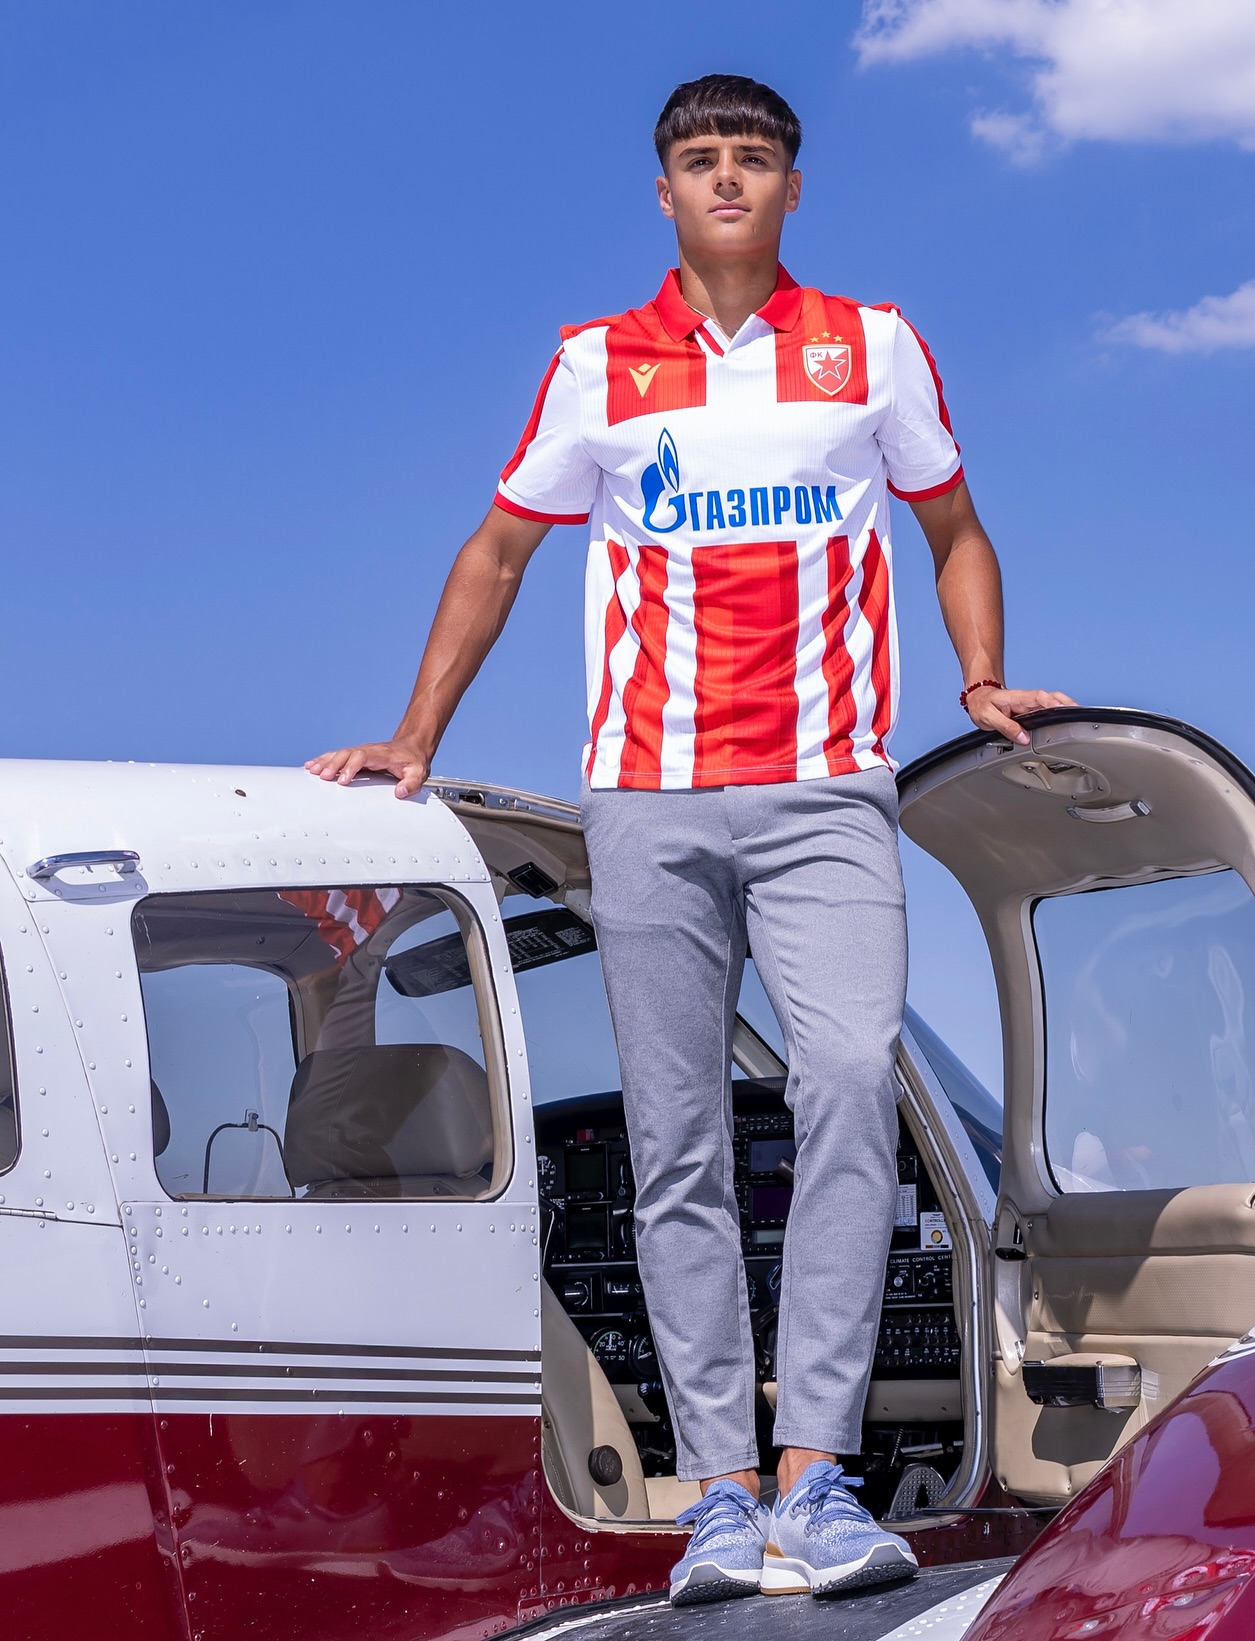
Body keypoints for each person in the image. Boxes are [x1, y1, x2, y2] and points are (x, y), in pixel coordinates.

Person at [308, 73, 1073, 1604]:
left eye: (755, 157)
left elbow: (953, 526)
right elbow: (500, 549)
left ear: (794, 186)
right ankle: (722, 1492)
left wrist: (981, 673)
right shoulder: (595, 364)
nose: (729, 178)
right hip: (646, 801)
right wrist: (416, 734)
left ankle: (817, 1478)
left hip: (828, 788)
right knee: (674, 1143)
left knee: (846, 1079)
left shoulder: (873, 345)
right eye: (703, 159)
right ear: (664, 192)